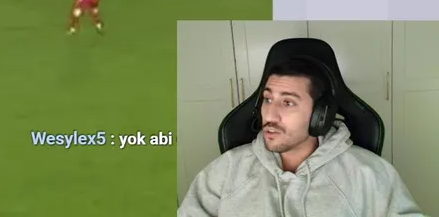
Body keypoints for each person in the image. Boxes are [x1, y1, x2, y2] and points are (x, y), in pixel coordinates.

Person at [178, 58, 421, 216]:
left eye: (288, 102)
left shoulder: (369, 173)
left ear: (320, 115)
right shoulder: (226, 169)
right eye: (268, 99)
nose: (269, 115)